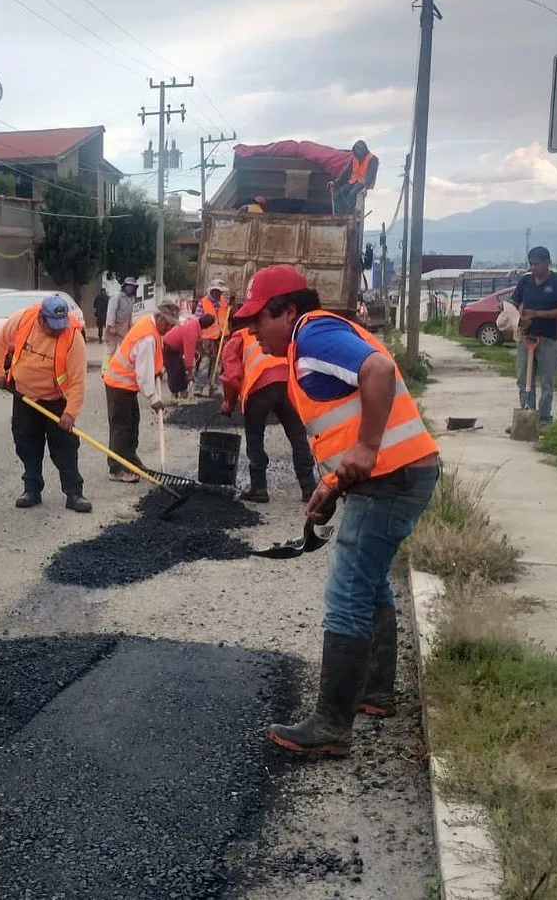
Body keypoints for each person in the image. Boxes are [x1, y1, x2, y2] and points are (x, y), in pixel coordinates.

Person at [235, 264, 440, 757]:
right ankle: (375, 692)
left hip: (392, 478)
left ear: (287, 311)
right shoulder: (308, 346)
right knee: (367, 581)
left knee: (347, 590)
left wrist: (369, 448)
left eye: (258, 320)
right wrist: (331, 485)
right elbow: (343, 425)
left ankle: (331, 726)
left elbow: (378, 371)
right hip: (397, 475)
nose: (252, 331)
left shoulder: (314, 332)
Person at [0, 295, 91, 513]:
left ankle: (74, 493)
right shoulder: (23, 320)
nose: (57, 331)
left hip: (56, 400)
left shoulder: (73, 338)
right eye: (52, 327)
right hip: (25, 396)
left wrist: (70, 413)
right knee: (26, 444)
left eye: (60, 326)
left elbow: (78, 380)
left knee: (65, 448)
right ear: (41, 319)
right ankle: (32, 489)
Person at [219, 320, 317, 503]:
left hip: (259, 387)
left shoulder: (237, 339)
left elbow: (231, 377)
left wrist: (228, 403)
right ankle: (309, 488)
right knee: (297, 436)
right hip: (288, 383)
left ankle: (259, 488)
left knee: (255, 436)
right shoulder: (275, 331)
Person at [102, 303, 181, 482]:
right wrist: (154, 398)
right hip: (118, 384)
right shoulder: (147, 338)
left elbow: (149, 364)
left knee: (132, 423)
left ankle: (130, 460)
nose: (169, 328)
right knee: (122, 427)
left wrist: (157, 370)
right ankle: (117, 468)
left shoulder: (151, 326)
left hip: (126, 385)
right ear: (159, 317)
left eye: (172, 325)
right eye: (168, 324)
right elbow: (143, 373)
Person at [511, 245, 557, 425]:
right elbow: (514, 303)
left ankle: (544, 419)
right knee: (524, 379)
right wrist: (517, 317)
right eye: (531, 264)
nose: (533, 268)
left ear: (547, 263)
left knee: (546, 380)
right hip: (526, 337)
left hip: (547, 338)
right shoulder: (525, 281)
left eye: (536, 264)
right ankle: (527, 417)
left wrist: (537, 314)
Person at [163, 312, 215, 400]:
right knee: (175, 371)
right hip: (169, 347)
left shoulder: (194, 322)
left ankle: (182, 392)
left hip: (175, 346)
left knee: (180, 369)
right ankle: (175, 396)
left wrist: (199, 351)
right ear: (207, 327)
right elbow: (188, 355)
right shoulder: (192, 332)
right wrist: (190, 372)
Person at [195, 280, 231, 388]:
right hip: (207, 337)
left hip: (221, 336)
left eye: (221, 292)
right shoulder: (203, 302)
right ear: (212, 291)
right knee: (205, 361)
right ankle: (200, 386)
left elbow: (227, 317)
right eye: (217, 292)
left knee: (219, 361)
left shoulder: (224, 302)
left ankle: (214, 384)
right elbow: (197, 320)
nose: (219, 294)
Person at [328, 140, 378, 216]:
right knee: (338, 195)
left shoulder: (372, 159)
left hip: (363, 183)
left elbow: (371, 175)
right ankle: (337, 215)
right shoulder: (354, 158)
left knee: (352, 194)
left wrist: (366, 186)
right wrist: (336, 183)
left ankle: (349, 216)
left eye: (358, 152)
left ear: (363, 151)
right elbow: (346, 172)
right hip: (352, 181)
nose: (357, 155)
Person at [104, 277, 137, 357]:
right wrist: (111, 326)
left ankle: (120, 368)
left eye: (132, 287)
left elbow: (129, 314)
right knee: (111, 351)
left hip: (124, 329)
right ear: (124, 286)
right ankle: (106, 368)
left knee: (126, 350)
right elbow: (111, 311)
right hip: (114, 328)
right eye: (128, 286)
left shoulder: (132, 298)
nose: (130, 288)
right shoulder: (117, 296)